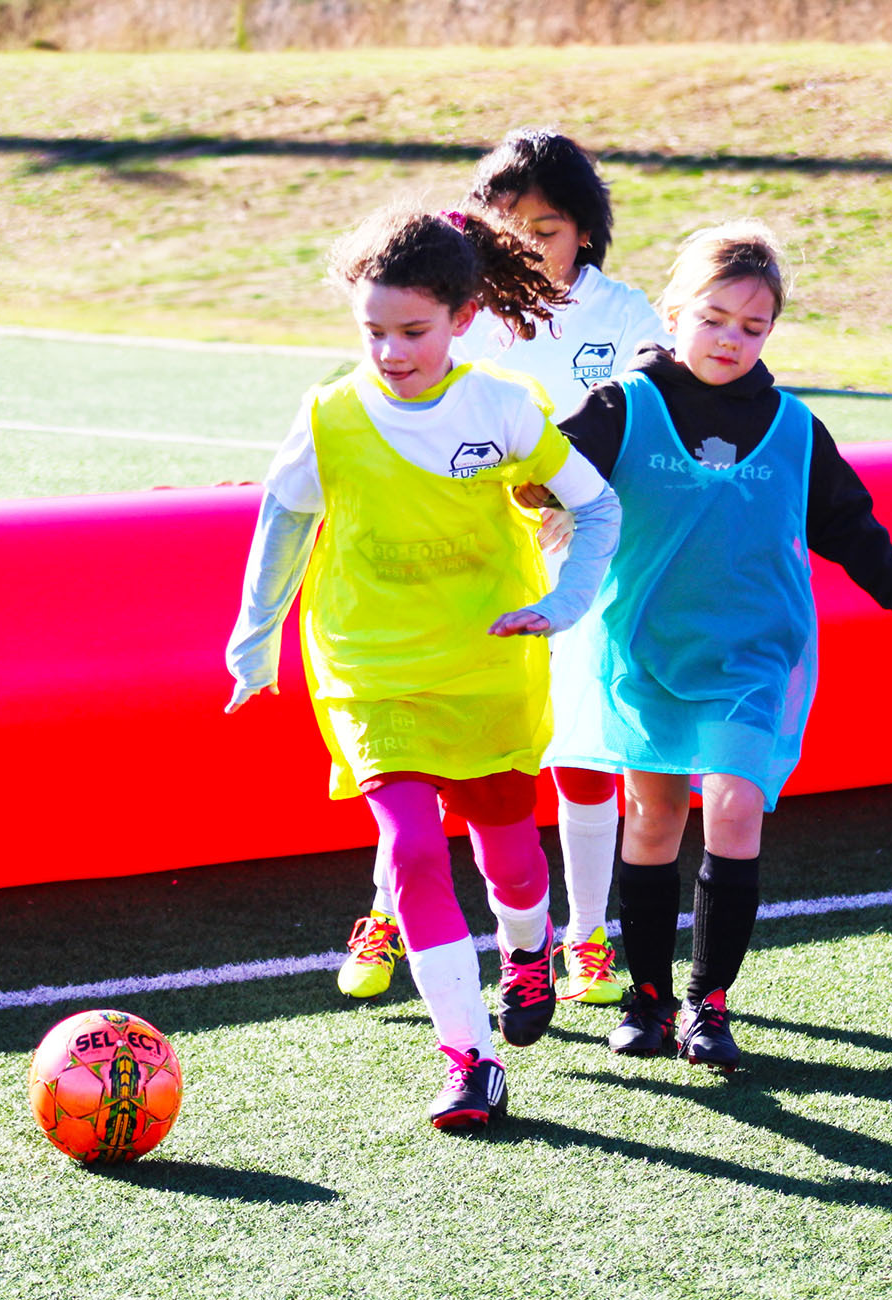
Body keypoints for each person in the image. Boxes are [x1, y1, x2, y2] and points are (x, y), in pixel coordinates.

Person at [225, 204, 621, 1129]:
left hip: (487, 661)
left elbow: (595, 509)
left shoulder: (502, 406)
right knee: (408, 849)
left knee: (514, 860)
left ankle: (530, 950)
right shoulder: (327, 415)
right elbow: (281, 524)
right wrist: (254, 639)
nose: (392, 351)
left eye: (413, 331)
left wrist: (564, 604)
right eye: (373, 331)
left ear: (463, 316)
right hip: (372, 669)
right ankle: (468, 1059)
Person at [546, 221, 892, 1071]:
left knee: (732, 805)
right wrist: (524, 488)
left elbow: (849, 524)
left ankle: (709, 1003)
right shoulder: (623, 404)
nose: (731, 338)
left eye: (752, 326)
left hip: (754, 658)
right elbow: (554, 475)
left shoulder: (793, 426)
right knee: (654, 817)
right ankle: (649, 997)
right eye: (715, 317)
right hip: (642, 650)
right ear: (674, 311)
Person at [333, 127, 668, 1008]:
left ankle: (586, 936)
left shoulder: (625, 313)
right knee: (420, 753)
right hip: (464, 573)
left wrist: (567, 487)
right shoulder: (459, 305)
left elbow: (644, 404)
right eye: (509, 225)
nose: (526, 244)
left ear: (586, 232)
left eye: (547, 228)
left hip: (581, 560)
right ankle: (386, 912)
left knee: (581, 755)